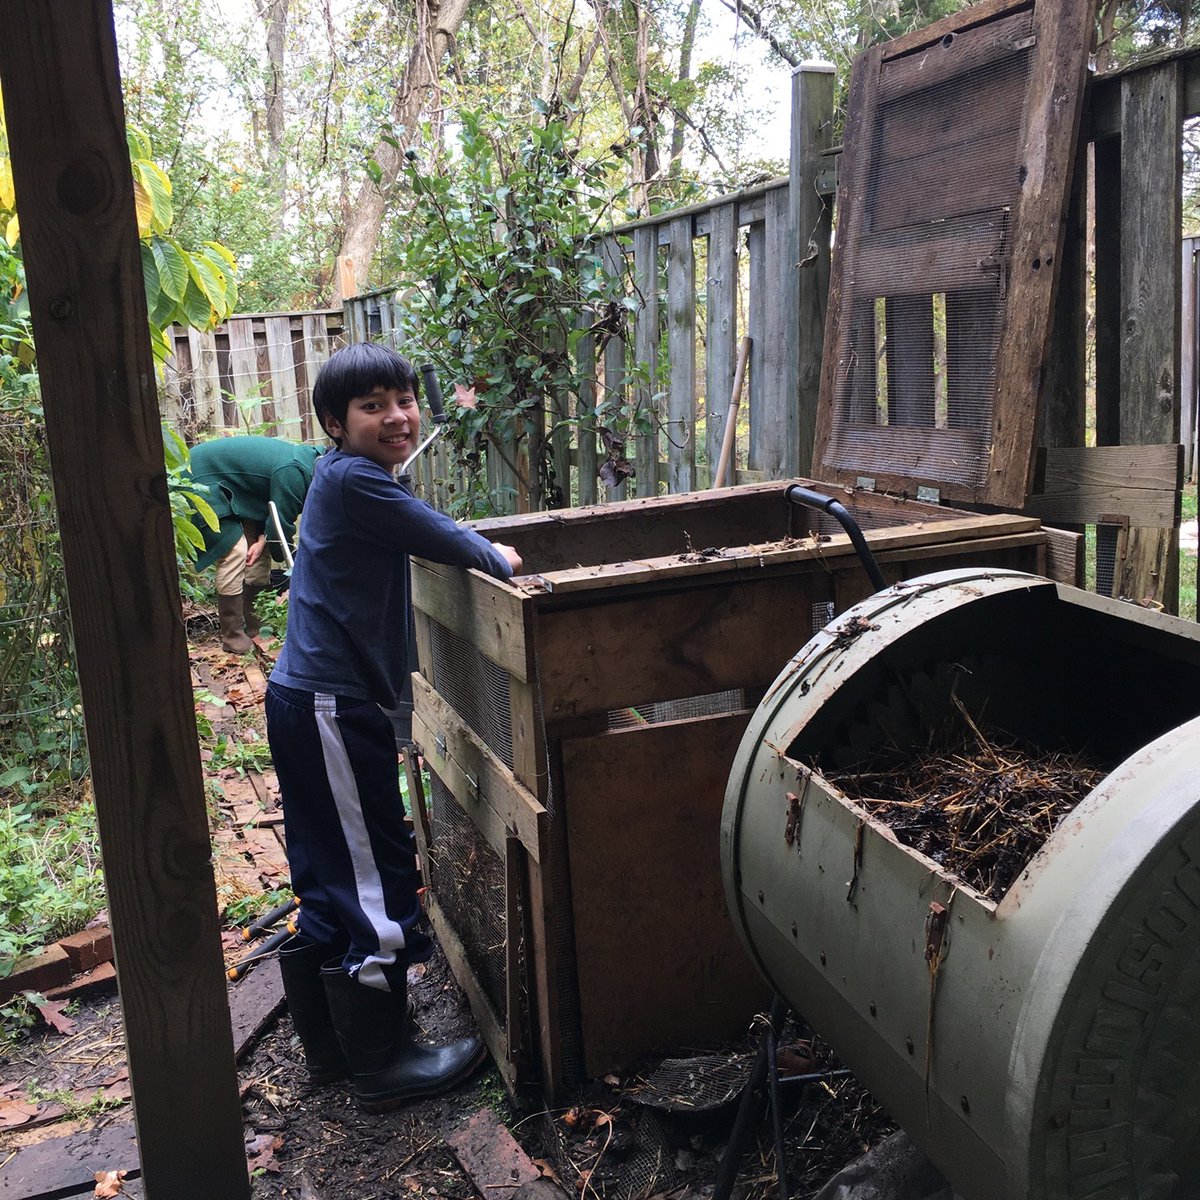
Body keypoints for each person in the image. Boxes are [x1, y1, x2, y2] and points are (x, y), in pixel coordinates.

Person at [264, 342, 522, 1113]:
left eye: (404, 399)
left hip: (307, 701)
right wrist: (497, 555)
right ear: (335, 424)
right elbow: (445, 537)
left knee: (324, 870)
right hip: (330, 709)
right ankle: (383, 1064)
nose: (397, 416)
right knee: (374, 868)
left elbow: (414, 520)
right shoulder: (356, 481)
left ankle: (332, 1048)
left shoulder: (342, 477)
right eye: (372, 406)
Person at [187, 435, 324, 653]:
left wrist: (262, 540)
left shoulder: (316, 465)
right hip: (199, 478)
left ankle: (254, 626)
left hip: (238, 492)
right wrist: (296, 573)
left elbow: (272, 522)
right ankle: (232, 635)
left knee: (258, 553)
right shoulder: (296, 473)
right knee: (236, 551)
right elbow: (279, 530)